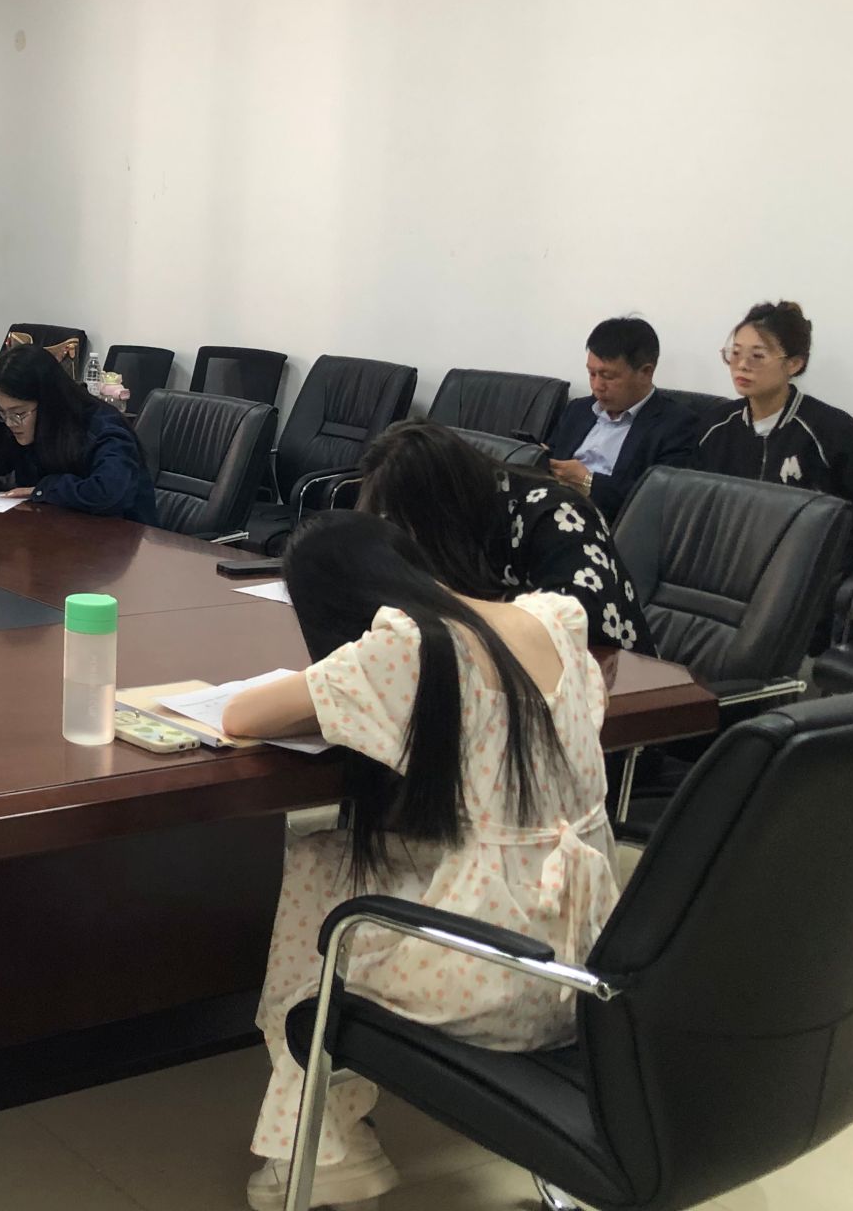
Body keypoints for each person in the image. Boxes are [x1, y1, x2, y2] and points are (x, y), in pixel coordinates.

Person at [221, 512, 617, 1210]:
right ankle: (326, 1140)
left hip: (497, 978)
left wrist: (332, 671)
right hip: (589, 965)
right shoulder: (554, 620)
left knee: (320, 895)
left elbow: (241, 717)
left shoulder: (411, 647)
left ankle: (326, 1153)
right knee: (351, 860)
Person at [358, 421, 656, 654]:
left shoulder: (556, 515)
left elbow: (580, 622)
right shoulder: (455, 519)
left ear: (440, 504)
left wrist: (458, 604)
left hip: (608, 681)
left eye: (411, 522)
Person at [697, 302, 853, 559]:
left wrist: (815, 534)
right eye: (734, 353)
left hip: (801, 561)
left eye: (757, 356)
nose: (741, 365)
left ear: (794, 364)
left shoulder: (830, 430)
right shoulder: (716, 426)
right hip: (726, 558)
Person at [0, 342, 158, 524]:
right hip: (56, 540)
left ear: (48, 404)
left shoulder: (102, 427)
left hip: (121, 551)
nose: (10, 423)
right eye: (2, 412)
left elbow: (109, 491)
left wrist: (45, 489)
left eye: (18, 413)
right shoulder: (20, 423)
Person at [545, 316, 699, 518]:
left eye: (608, 376)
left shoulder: (677, 425)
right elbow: (552, 456)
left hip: (608, 523)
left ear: (646, 373)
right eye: (592, 374)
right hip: (552, 506)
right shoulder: (578, 410)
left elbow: (660, 500)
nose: (597, 386)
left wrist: (588, 482)